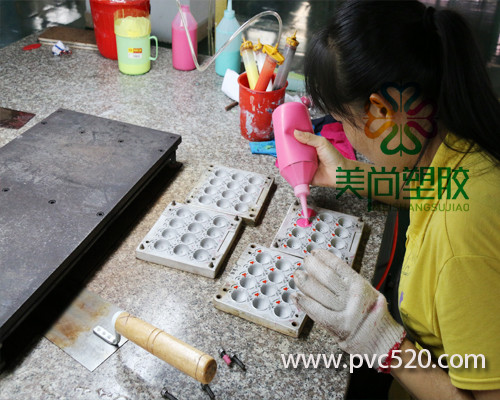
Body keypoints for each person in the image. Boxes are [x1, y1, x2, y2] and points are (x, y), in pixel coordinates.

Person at [290, 1, 500, 399]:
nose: (345, 137)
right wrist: (349, 174)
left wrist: (380, 341)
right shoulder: (458, 142)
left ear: (381, 112)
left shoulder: (463, 240)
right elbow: (433, 189)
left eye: (342, 121)